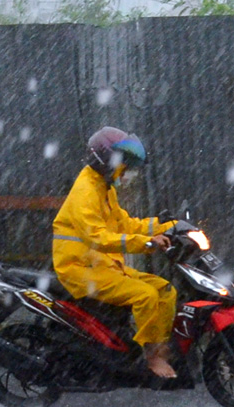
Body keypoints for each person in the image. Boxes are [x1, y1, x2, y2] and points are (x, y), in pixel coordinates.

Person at [52, 126, 178, 378]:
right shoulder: (85, 191)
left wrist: (170, 227)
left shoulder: (103, 187)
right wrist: (147, 243)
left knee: (165, 291)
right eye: (122, 163)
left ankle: (161, 350)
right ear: (106, 160)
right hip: (80, 270)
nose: (125, 171)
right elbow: (98, 237)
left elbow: (125, 223)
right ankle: (151, 358)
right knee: (145, 296)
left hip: (102, 265)